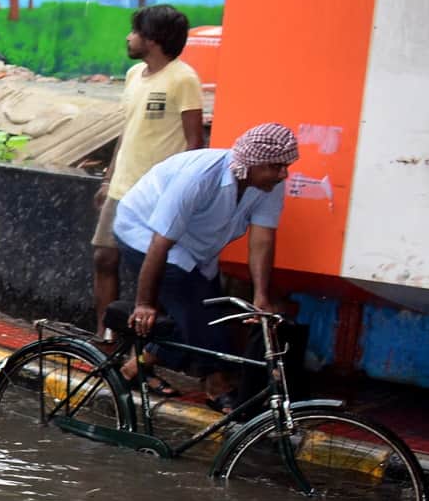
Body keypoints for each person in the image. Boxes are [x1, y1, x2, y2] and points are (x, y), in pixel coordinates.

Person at [112, 122, 299, 410]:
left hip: (194, 247)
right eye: (276, 167)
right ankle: (215, 385)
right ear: (252, 163)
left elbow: (262, 239)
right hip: (143, 231)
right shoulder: (200, 177)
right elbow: (160, 244)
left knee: (209, 311)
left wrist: (260, 295)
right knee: (202, 317)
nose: (283, 174)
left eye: (285, 166)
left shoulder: (268, 184)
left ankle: (135, 367)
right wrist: (145, 303)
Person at [93, 4, 205, 386]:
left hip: (157, 195)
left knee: (149, 277)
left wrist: (179, 192)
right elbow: (127, 132)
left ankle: (142, 360)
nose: (129, 37)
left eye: (135, 31)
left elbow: (195, 141)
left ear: (153, 39)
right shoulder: (133, 75)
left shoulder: (183, 79)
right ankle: (105, 343)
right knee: (103, 258)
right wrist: (108, 177)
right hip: (122, 186)